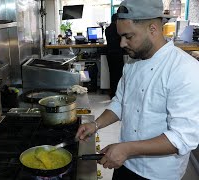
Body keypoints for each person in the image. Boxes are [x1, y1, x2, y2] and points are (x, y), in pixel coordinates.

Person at [76, 0, 199, 179]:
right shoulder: (133, 63)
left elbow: (182, 137)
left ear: (153, 29)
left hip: (157, 173)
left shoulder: (185, 70)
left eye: (129, 36)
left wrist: (128, 148)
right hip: (125, 162)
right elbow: (120, 102)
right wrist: (96, 125)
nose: (122, 44)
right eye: (120, 37)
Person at [105, 13, 124, 98]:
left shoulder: (107, 29)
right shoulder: (118, 29)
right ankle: (118, 93)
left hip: (109, 54)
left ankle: (112, 93)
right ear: (117, 20)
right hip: (118, 53)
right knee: (119, 74)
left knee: (111, 73)